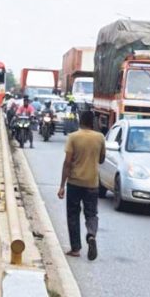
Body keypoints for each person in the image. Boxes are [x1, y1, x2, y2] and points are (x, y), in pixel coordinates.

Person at [57, 111, 106, 261]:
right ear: (93, 122)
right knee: (91, 214)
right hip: (92, 183)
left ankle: (76, 248)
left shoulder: (73, 137)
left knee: (73, 214)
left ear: (80, 121)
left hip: (74, 182)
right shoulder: (100, 138)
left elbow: (67, 163)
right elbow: (102, 159)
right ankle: (91, 235)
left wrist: (62, 186)